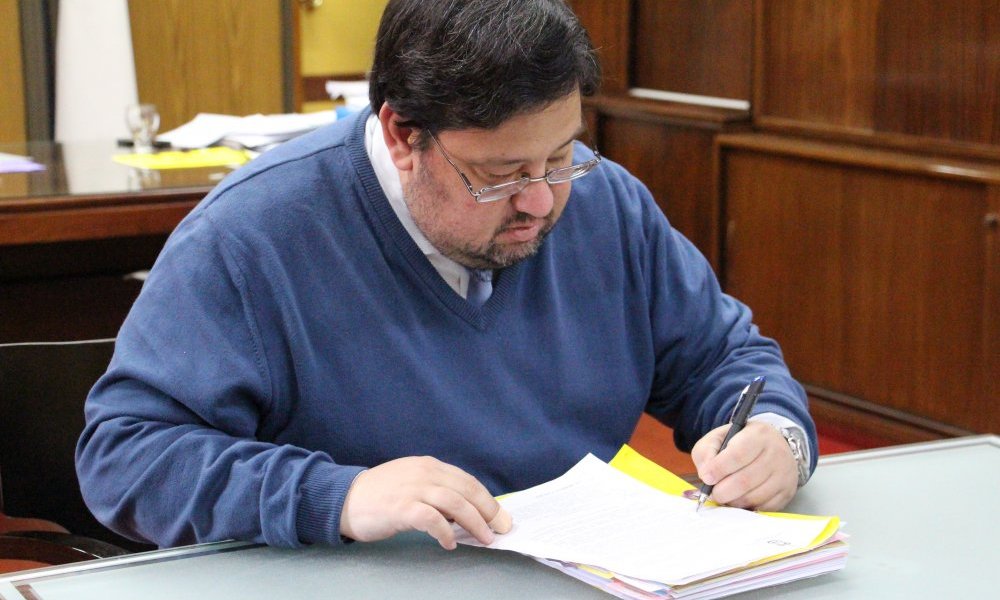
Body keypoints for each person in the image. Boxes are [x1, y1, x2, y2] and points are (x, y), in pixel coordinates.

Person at [76, 0, 816, 552]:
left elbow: (725, 357)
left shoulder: (605, 205)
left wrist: (774, 436)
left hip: (580, 569)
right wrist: (339, 495)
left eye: (561, 157)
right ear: (403, 135)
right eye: (501, 174)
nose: (540, 201)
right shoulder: (252, 237)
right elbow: (127, 454)